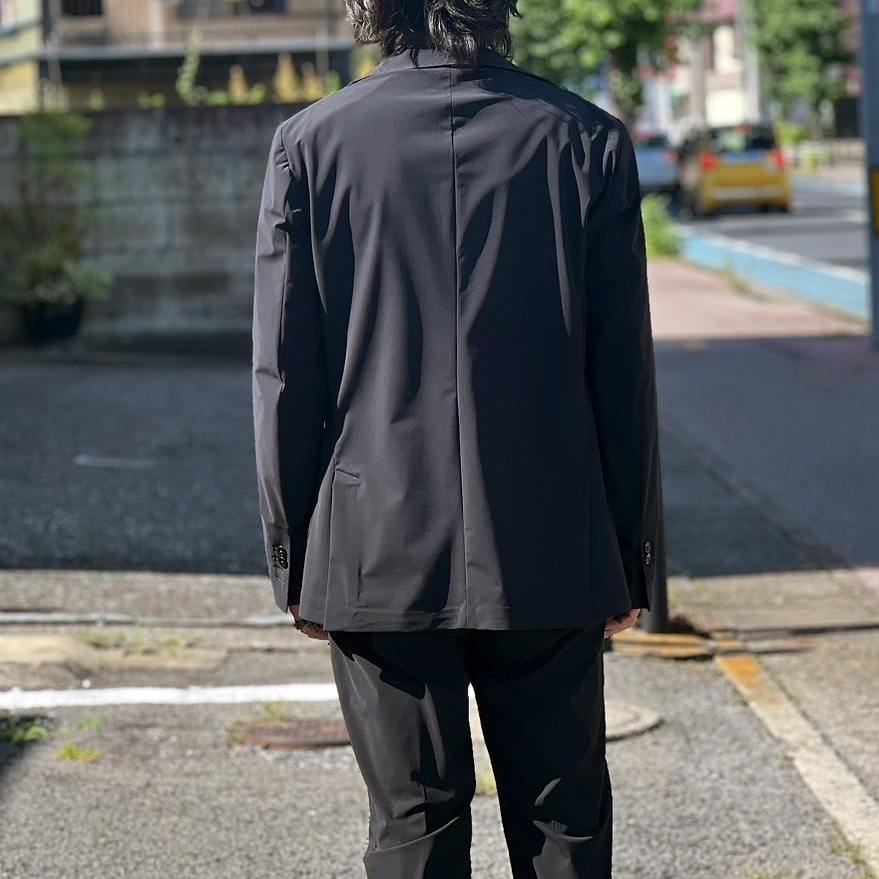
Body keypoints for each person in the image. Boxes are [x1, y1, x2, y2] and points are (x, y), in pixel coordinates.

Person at [251, 0, 662, 874]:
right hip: (549, 541)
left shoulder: (311, 145)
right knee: (564, 826)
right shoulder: (586, 139)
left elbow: (286, 374)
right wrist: (630, 557)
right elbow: (621, 374)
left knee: (412, 830)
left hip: (375, 545)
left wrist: (294, 560)